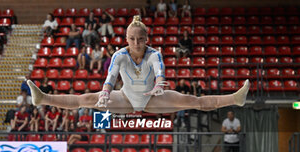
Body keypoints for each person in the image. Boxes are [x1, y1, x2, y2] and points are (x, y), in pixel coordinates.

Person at [27, 16, 250, 114]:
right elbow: (110, 77)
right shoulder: (119, 55)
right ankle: (43, 98)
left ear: (146, 39)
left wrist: (160, 84)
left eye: (140, 39)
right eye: (132, 39)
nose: (136, 43)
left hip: (153, 99)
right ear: (126, 39)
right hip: (124, 98)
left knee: (194, 101)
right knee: (85, 99)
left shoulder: (154, 54)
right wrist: (105, 92)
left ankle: (235, 99)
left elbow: (160, 72)